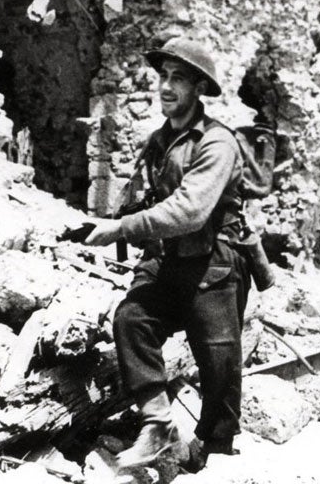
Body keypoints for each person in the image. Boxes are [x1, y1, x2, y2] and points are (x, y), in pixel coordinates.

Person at [84, 37, 250, 471]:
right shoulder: (159, 142)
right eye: (163, 77)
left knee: (219, 366)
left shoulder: (218, 142)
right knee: (131, 319)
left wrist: (122, 227)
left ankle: (216, 451)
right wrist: (106, 220)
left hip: (215, 263)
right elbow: (137, 199)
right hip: (167, 261)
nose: (166, 87)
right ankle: (157, 424)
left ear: (198, 88)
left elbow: (190, 211)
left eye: (178, 78)